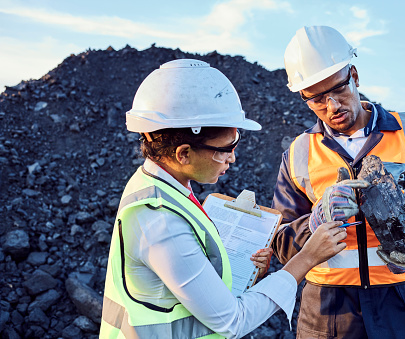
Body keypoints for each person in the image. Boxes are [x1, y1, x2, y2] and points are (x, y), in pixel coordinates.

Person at [99, 59, 349, 339]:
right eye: (225, 149)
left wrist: (238, 269)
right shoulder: (161, 221)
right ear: (183, 154)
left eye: (235, 143)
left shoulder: (160, 186)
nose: (232, 157)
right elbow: (232, 321)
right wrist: (307, 258)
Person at [271, 26, 405, 338]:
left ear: (355, 76)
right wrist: (316, 220)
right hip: (328, 315)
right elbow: (280, 241)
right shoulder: (298, 154)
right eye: (317, 99)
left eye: (338, 90)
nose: (332, 106)